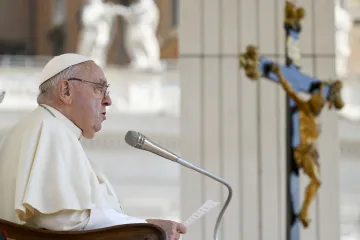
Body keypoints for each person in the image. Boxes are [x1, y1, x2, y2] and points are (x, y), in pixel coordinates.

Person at [0, 53, 187, 240]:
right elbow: (62, 219)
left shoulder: (44, 127)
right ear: (66, 91)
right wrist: (144, 227)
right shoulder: (49, 128)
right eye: (99, 88)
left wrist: (140, 225)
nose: (108, 100)